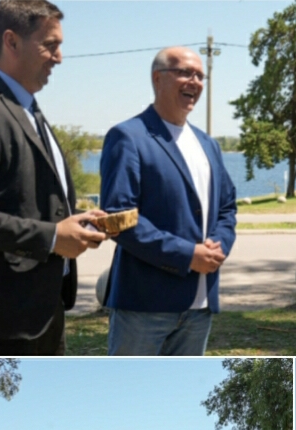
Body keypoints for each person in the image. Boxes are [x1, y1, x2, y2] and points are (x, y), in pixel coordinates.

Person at [0, 0, 109, 356]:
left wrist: (76, 223)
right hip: (3, 319)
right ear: (11, 42)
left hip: (43, 308)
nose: (59, 57)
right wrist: (51, 237)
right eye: (50, 45)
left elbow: (27, 197)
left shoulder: (27, 108)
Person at [100, 46, 237, 356]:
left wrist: (220, 244)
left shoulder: (208, 144)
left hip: (200, 308)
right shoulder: (128, 137)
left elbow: (227, 208)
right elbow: (118, 219)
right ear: (157, 78)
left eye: (201, 76)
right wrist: (187, 254)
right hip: (144, 308)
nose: (195, 81)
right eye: (185, 72)